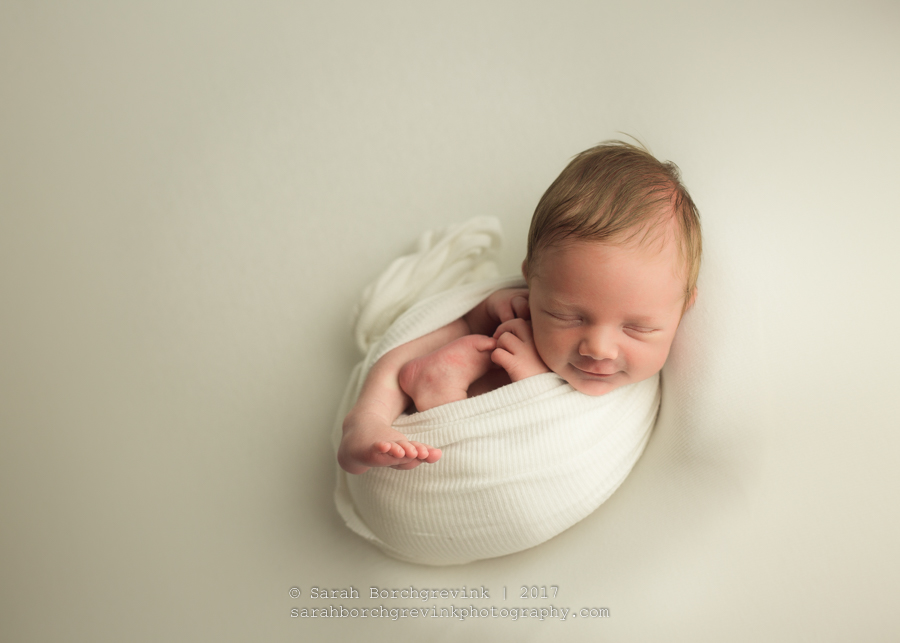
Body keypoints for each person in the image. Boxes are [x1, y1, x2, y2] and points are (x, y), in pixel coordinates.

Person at [337, 140, 701, 475]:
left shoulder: (638, 401)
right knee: (451, 332)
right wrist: (484, 311)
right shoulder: (521, 311)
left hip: (466, 454)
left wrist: (533, 382)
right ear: (532, 282)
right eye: (567, 316)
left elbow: (559, 449)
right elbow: (462, 320)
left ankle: (438, 392)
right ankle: (366, 416)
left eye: (638, 328)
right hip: (435, 396)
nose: (599, 348)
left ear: (683, 308)